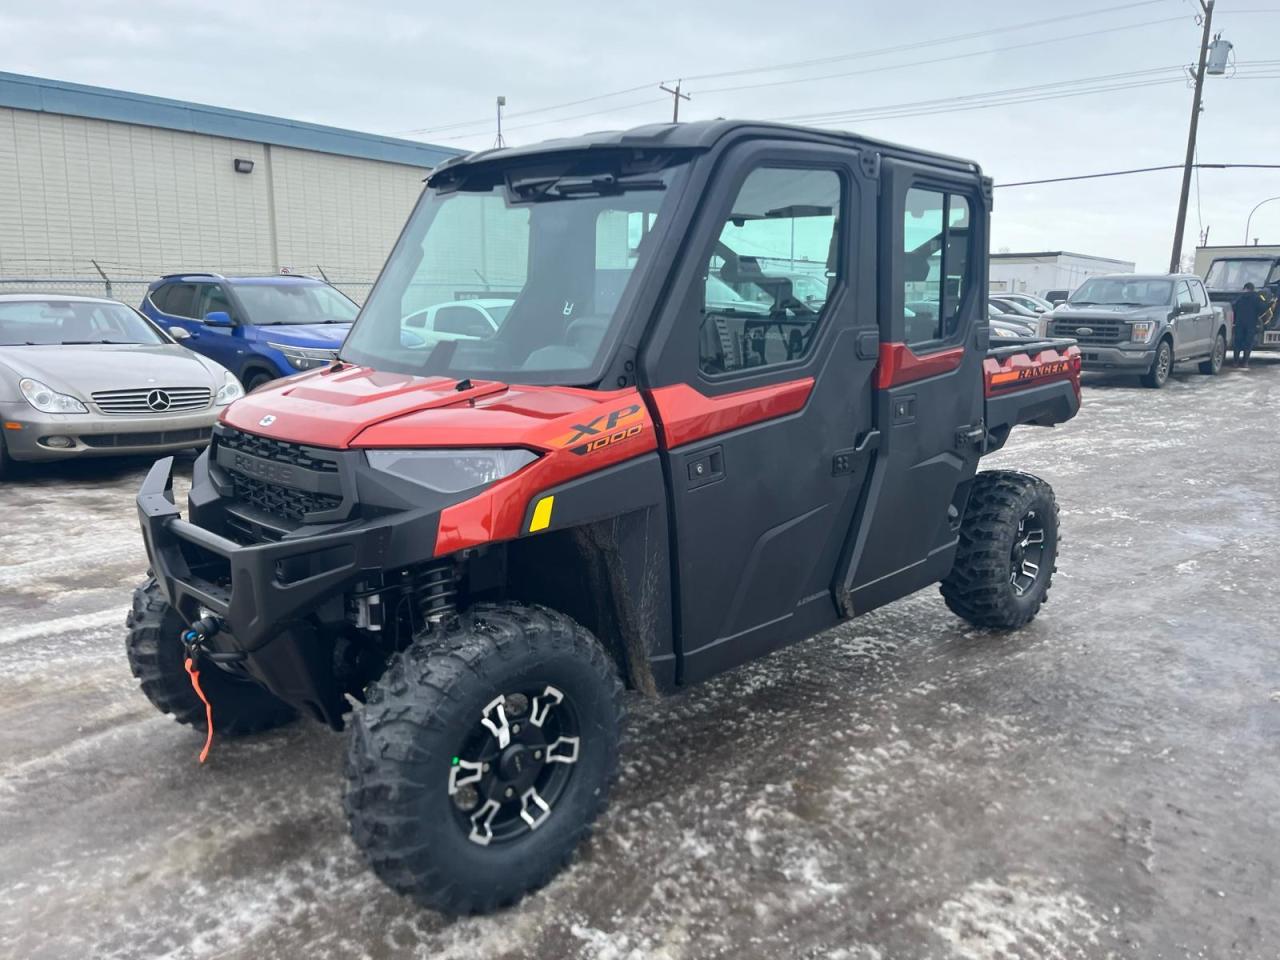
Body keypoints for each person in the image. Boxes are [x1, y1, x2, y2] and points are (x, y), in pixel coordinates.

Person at [1232, 282, 1266, 369]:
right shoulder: (1257, 298)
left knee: (1237, 342)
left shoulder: (1240, 298)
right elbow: (1263, 308)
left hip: (1239, 323)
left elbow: (1234, 307)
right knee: (1248, 343)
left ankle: (1235, 363)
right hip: (1251, 324)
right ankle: (1245, 363)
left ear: (1246, 288)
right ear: (1253, 289)